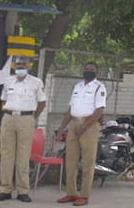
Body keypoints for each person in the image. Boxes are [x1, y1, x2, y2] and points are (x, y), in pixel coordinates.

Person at [0, 55, 47, 202]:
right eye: (18, 64)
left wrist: (32, 117)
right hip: (9, 118)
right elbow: (3, 100)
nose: (20, 67)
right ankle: (5, 190)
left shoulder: (36, 82)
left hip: (26, 118)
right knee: (6, 154)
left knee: (23, 156)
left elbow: (42, 103)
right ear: (14, 66)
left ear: (29, 66)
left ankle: (23, 191)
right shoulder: (8, 81)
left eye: (24, 64)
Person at [56, 62, 106, 207]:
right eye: (86, 69)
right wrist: (61, 128)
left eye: (91, 70)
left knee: (87, 163)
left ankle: (84, 195)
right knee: (70, 161)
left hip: (88, 126)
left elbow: (99, 111)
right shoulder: (77, 87)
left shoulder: (99, 88)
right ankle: (71, 193)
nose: (88, 71)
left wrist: (84, 126)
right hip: (74, 124)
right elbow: (70, 109)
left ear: (96, 72)